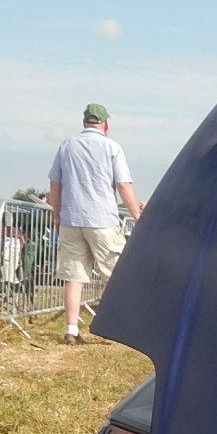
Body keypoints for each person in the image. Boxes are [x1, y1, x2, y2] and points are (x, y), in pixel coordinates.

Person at [47, 103, 142, 344]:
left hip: (72, 218)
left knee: (74, 277)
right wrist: (137, 217)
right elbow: (123, 185)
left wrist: (57, 215)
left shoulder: (67, 145)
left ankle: (71, 330)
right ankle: (117, 327)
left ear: (84, 122)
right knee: (114, 275)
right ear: (105, 124)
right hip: (102, 219)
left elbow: (55, 184)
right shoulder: (112, 147)